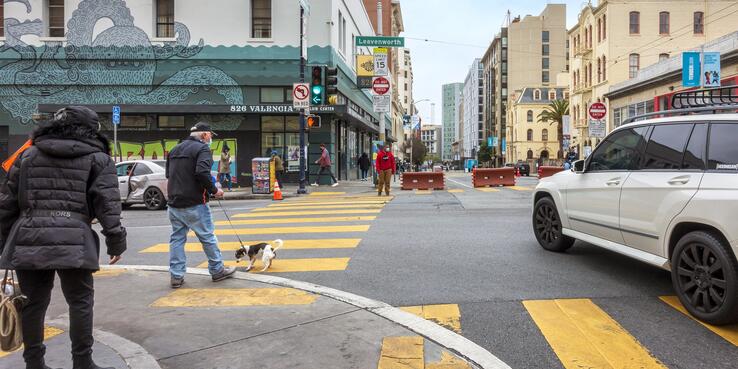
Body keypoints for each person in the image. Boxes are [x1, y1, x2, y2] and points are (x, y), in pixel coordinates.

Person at [0, 106, 127, 369]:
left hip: (29, 234)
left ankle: (34, 363)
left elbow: (7, 203)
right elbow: (108, 203)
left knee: (33, 303)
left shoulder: (27, 155)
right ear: (90, 130)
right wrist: (115, 240)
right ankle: (83, 363)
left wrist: (3, 245)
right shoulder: (98, 159)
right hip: (76, 237)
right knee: (80, 301)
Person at [166, 122, 234, 289]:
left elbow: (169, 174)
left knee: (177, 239)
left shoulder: (175, 149)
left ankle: (176, 276)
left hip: (174, 203)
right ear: (204, 135)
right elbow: (202, 172)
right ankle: (217, 270)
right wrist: (214, 190)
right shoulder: (202, 149)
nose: (211, 138)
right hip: (195, 202)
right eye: (210, 135)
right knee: (207, 237)